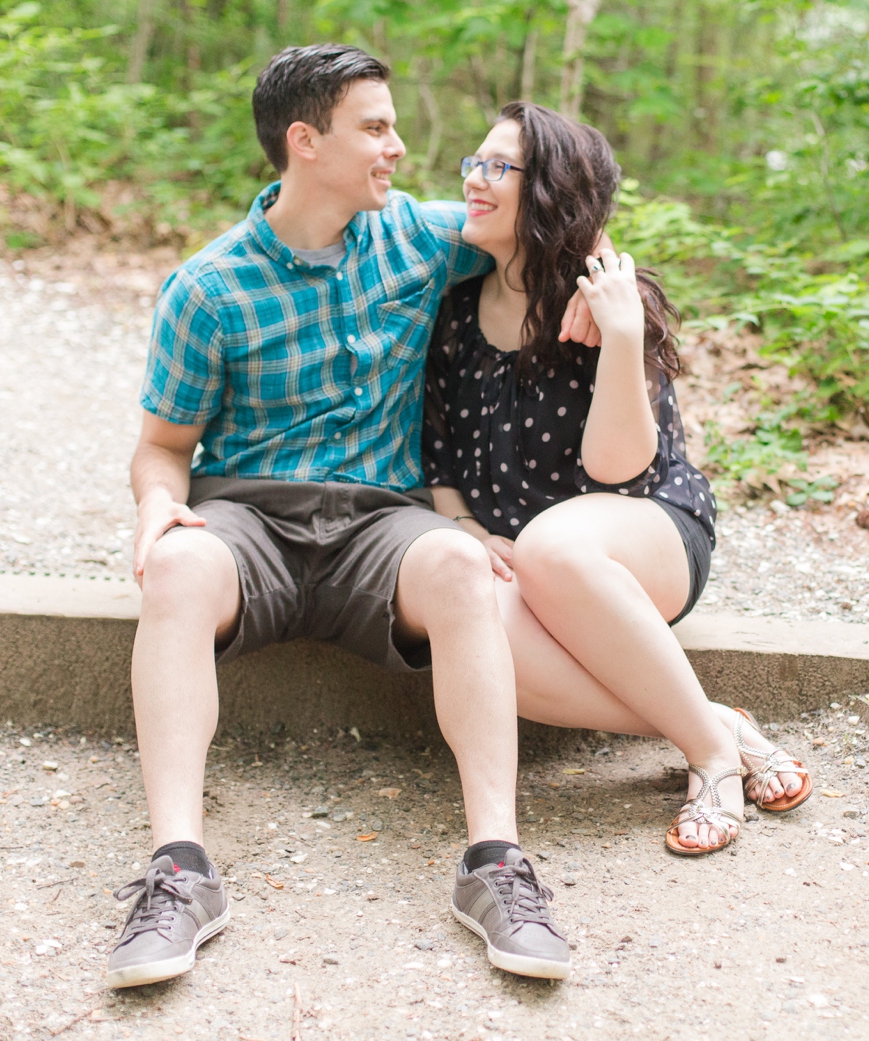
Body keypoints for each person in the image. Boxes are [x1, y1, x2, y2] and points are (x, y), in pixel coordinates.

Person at [112, 46, 598, 988]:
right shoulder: (207, 289)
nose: (400, 148)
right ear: (306, 143)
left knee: (464, 565)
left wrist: (605, 297)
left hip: (383, 526)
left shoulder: (417, 236)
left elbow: (548, 222)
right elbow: (164, 445)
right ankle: (179, 872)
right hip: (250, 519)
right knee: (173, 567)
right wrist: (158, 507)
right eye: (375, 128)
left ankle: (496, 864)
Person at [424, 102, 812, 857]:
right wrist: (465, 527)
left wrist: (626, 332)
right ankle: (714, 725)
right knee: (474, 629)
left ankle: (708, 762)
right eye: (473, 163)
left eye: (498, 168)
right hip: (526, 559)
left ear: (547, 193)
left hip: (641, 537)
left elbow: (618, 468)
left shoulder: (604, 305)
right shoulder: (455, 313)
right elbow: (439, 455)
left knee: (552, 547)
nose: (475, 180)